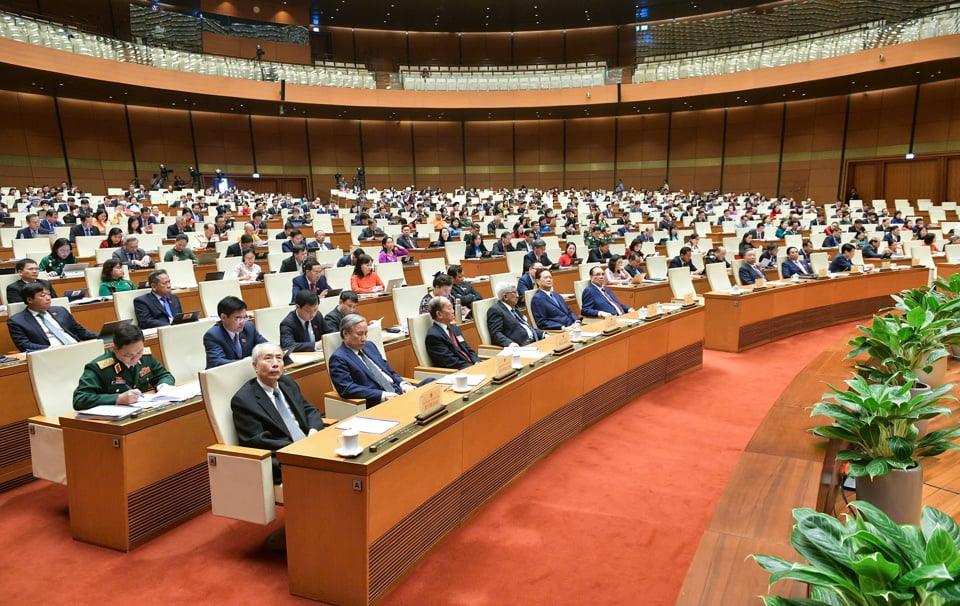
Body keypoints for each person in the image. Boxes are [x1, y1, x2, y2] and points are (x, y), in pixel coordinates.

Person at [230, 343, 325, 484]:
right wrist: (297, 448)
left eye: (279, 358)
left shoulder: (287, 383)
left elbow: (309, 409)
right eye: (268, 359)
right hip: (282, 457)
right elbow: (257, 439)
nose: (275, 364)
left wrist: (313, 430)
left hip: (309, 444)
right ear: (255, 365)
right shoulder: (244, 400)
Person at [72, 323, 175, 410]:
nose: (135, 359)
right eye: (128, 355)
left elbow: (164, 375)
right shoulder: (99, 368)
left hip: (143, 410)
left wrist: (163, 385)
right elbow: (80, 399)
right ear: (115, 349)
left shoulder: (145, 357)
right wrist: (117, 398)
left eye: (139, 352)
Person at [328, 313, 414, 406]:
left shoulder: (370, 346)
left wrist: (403, 384)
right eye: (360, 334)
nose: (364, 338)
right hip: (379, 401)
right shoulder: (339, 358)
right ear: (345, 333)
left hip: (398, 392)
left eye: (366, 333)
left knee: (429, 383)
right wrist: (382, 395)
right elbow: (347, 389)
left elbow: (389, 371)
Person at [8, 283, 99, 352]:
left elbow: (80, 332)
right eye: (43, 295)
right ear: (29, 300)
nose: (48, 298)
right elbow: (24, 345)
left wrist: (102, 335)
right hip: (50, 354)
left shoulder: (60, 311)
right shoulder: (17, 321)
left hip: (78, 347)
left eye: (49, 294)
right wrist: (52, 349)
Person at [203, 295, 268, 368]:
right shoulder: (213, 335)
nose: (242, 322)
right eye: (238, 318)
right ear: (223, 317)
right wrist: (248, 362)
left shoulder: (249, 327)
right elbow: (218, 362)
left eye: (245, 317)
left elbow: (266, 346)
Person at [425, 296, 480, 370]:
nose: (453, 311)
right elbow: (450, 361)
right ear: (439, 314)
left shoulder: (454, 328)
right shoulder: (433, 336)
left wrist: (477, 362)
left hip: (471, 366)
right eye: (449, 308)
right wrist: (472, 368)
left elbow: (468, 349)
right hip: (458, 373)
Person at [486, 282, 544, 347]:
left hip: (535, 342)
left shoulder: (514, 309)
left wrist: (542, 334)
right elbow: (496, 333)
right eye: (515, 293)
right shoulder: (496, 310)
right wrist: (509, 343)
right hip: (522, 346)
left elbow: (526, 327)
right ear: (505, 297)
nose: (518, 296)